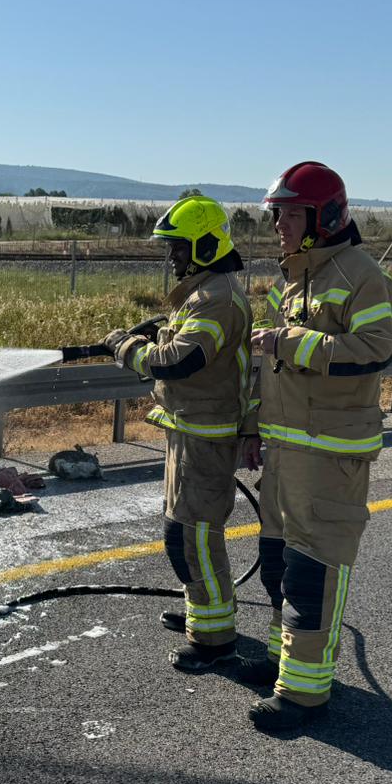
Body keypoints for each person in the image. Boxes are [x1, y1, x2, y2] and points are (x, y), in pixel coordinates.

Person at [242, 161, 392, 730]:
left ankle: (305, 694)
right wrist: (253, 427)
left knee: (313, 573)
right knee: (277, 566)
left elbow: (375, 348)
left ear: (323, 217)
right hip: (286, 454)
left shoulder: (361, 276)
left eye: (289, 215)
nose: (278, 225)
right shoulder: (293, 278)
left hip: (330, 454)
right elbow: (272, 369)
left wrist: (290, 340)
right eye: (276, 215)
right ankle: (284, 661)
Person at [102, 195, 258, 673]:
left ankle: (215, 641)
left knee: (194, 538)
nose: (171, 257)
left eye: (178, 247)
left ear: (206, 247)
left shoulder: (217, 299)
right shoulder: (203, 292)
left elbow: (179, 361)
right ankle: (203, 616)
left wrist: (127, 347)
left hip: (206, 438)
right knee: (182, 534)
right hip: (189, 431)